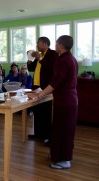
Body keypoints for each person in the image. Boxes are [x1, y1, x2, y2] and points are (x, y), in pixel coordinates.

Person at [32, 35, 78, 169]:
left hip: (66, 101)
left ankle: (64, 160)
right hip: (66, 100)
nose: (55, 45)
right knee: (58, 129)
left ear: (61, 46)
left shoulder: (64, 60)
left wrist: (40, 94)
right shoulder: (70, 58)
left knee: (64, 130)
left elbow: (55, 82)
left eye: (57, 43)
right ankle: (56, 155)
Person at [27, 37, 59, 145]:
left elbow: (51, 68)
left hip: (46, 86)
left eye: (38, 43)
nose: (37, 45)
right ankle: (38, 133)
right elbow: (31, 69)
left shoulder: (52, 54)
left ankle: (46, 136)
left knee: (46, 111)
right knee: (37, 110)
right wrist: (30, 59)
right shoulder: (39, 55)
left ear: (45, 44)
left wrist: (39, 58)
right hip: (36, 86)